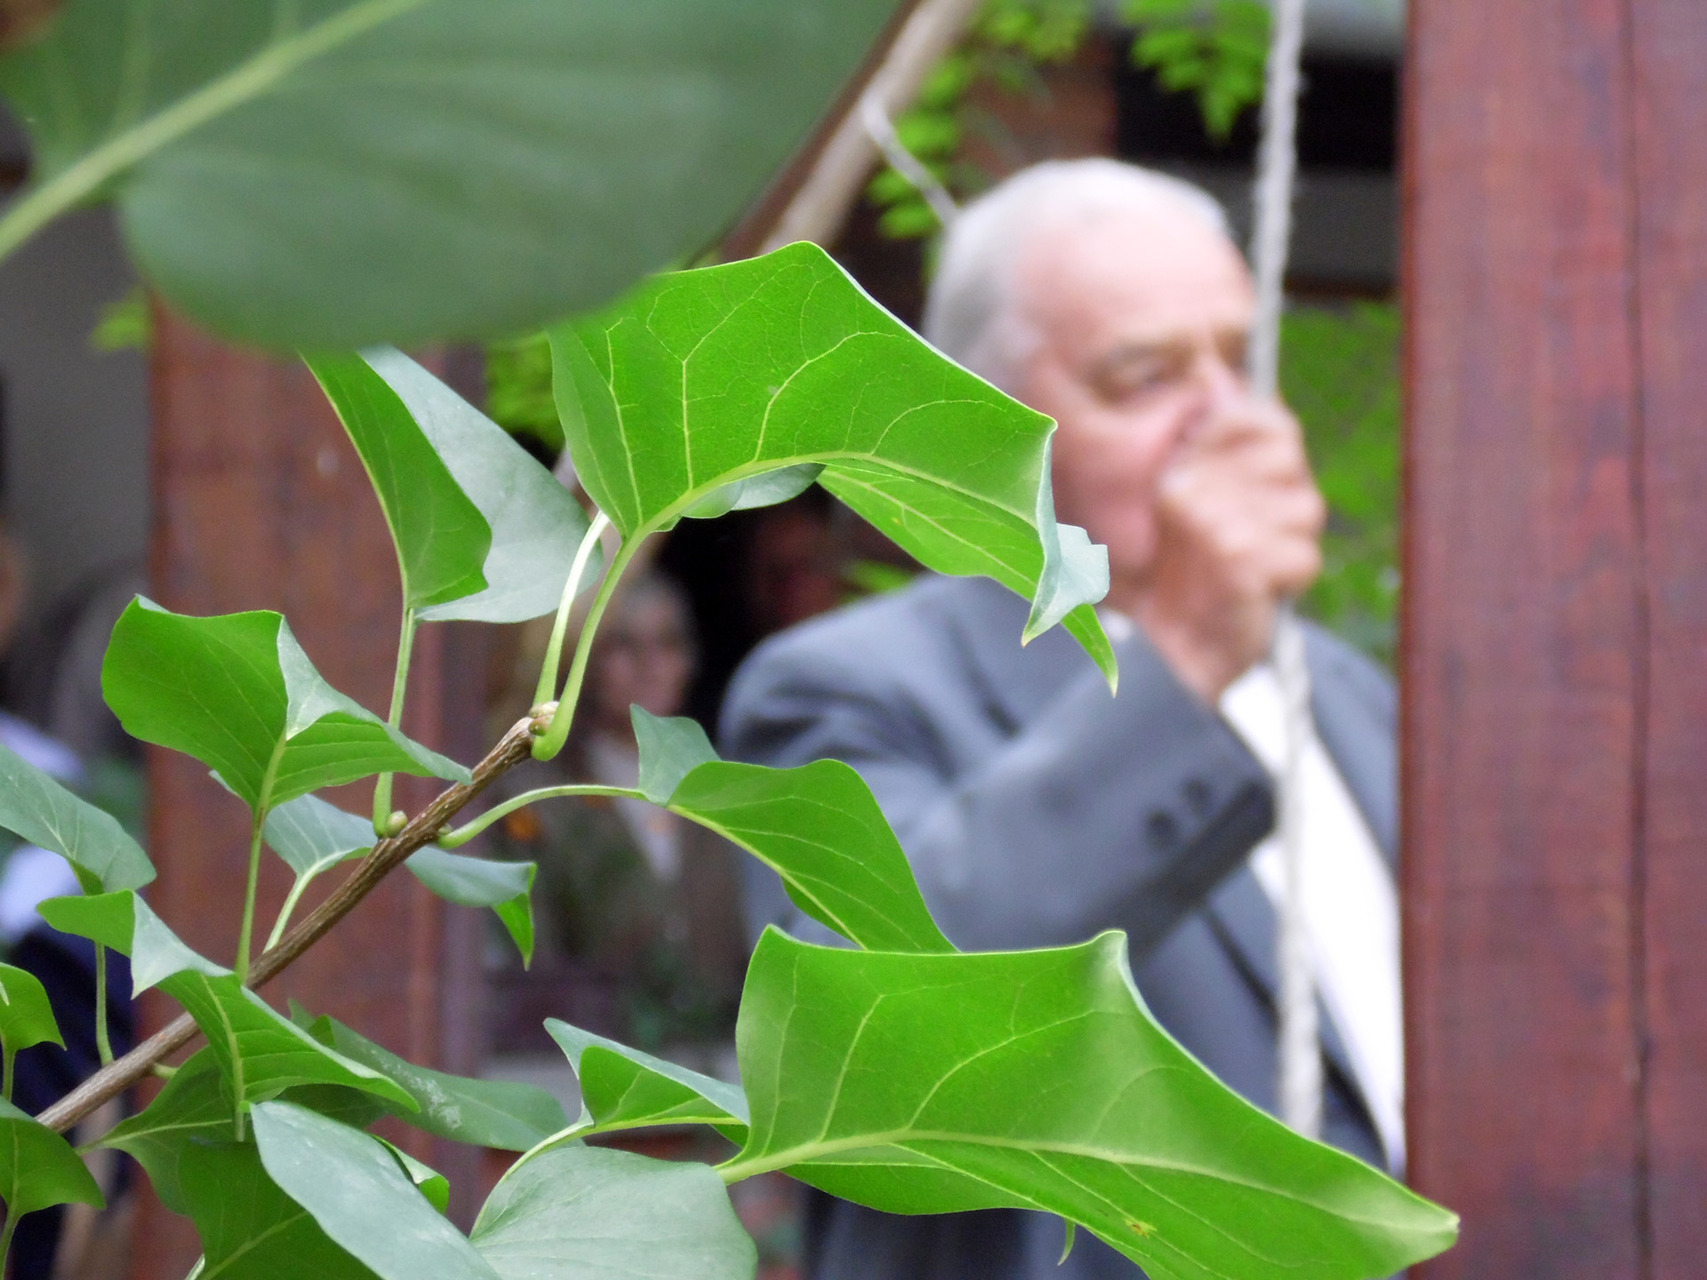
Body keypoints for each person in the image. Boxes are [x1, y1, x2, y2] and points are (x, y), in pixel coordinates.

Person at [721, 159, 1402, 1280]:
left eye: (1241, 364)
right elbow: (877, 1030)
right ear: (977, 429)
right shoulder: (840, 688)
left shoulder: (1349, 692)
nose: (1229, 423)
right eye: (1144, 378)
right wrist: (1186, 652)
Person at [487, 571, 744, 1054]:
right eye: (624, 645)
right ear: (583, 662)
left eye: (667, 643)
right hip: (590, 1066)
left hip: (722, 1064)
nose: (650, 665)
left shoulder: (723, 789)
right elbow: (533, 968)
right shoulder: (540, 801)